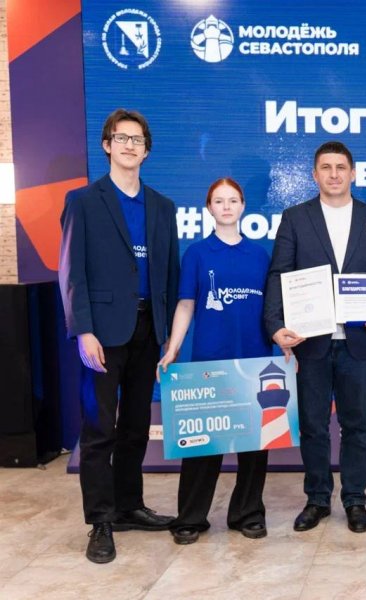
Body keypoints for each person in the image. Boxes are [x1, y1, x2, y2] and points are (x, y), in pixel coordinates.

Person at [58, 108, 179, 564]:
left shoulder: (163, 207)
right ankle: (101, 521)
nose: (130, 145)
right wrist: (83, 331)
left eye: (137, 139)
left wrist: (167, 333)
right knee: (98, 430)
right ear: (107, 145)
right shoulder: (83, 201)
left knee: (134, 427)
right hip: (103, 334)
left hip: (148, 330)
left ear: (147, 151)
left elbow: (169, 274)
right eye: (121, 138)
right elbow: (72, 273)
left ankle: (129, 506)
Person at [264, 141, 366, 534]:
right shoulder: (295, 218)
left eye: (341, 167)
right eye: (326, 167)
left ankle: (355, 499)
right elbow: (279, 274)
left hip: (359, 342)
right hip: (311, 341)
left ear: (353, 173)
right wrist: (275, 325)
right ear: (314, 174)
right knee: (314, 425)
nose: (334, 174)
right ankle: (318, 498)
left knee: (356, 425)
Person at [157, 178, 271, 545]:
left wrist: (285, 344)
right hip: (209, 360)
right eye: (219, 201)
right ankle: (191, 517)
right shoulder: (197, 253)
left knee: (254, 444)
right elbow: (186, 304)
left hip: (254, 360)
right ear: (209, 208)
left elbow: (273, 308)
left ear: (243, 206)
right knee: (203, 444)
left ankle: (248, 513)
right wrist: (173, 348)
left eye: (233, 200)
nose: (226, 207)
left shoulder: (260, 255)